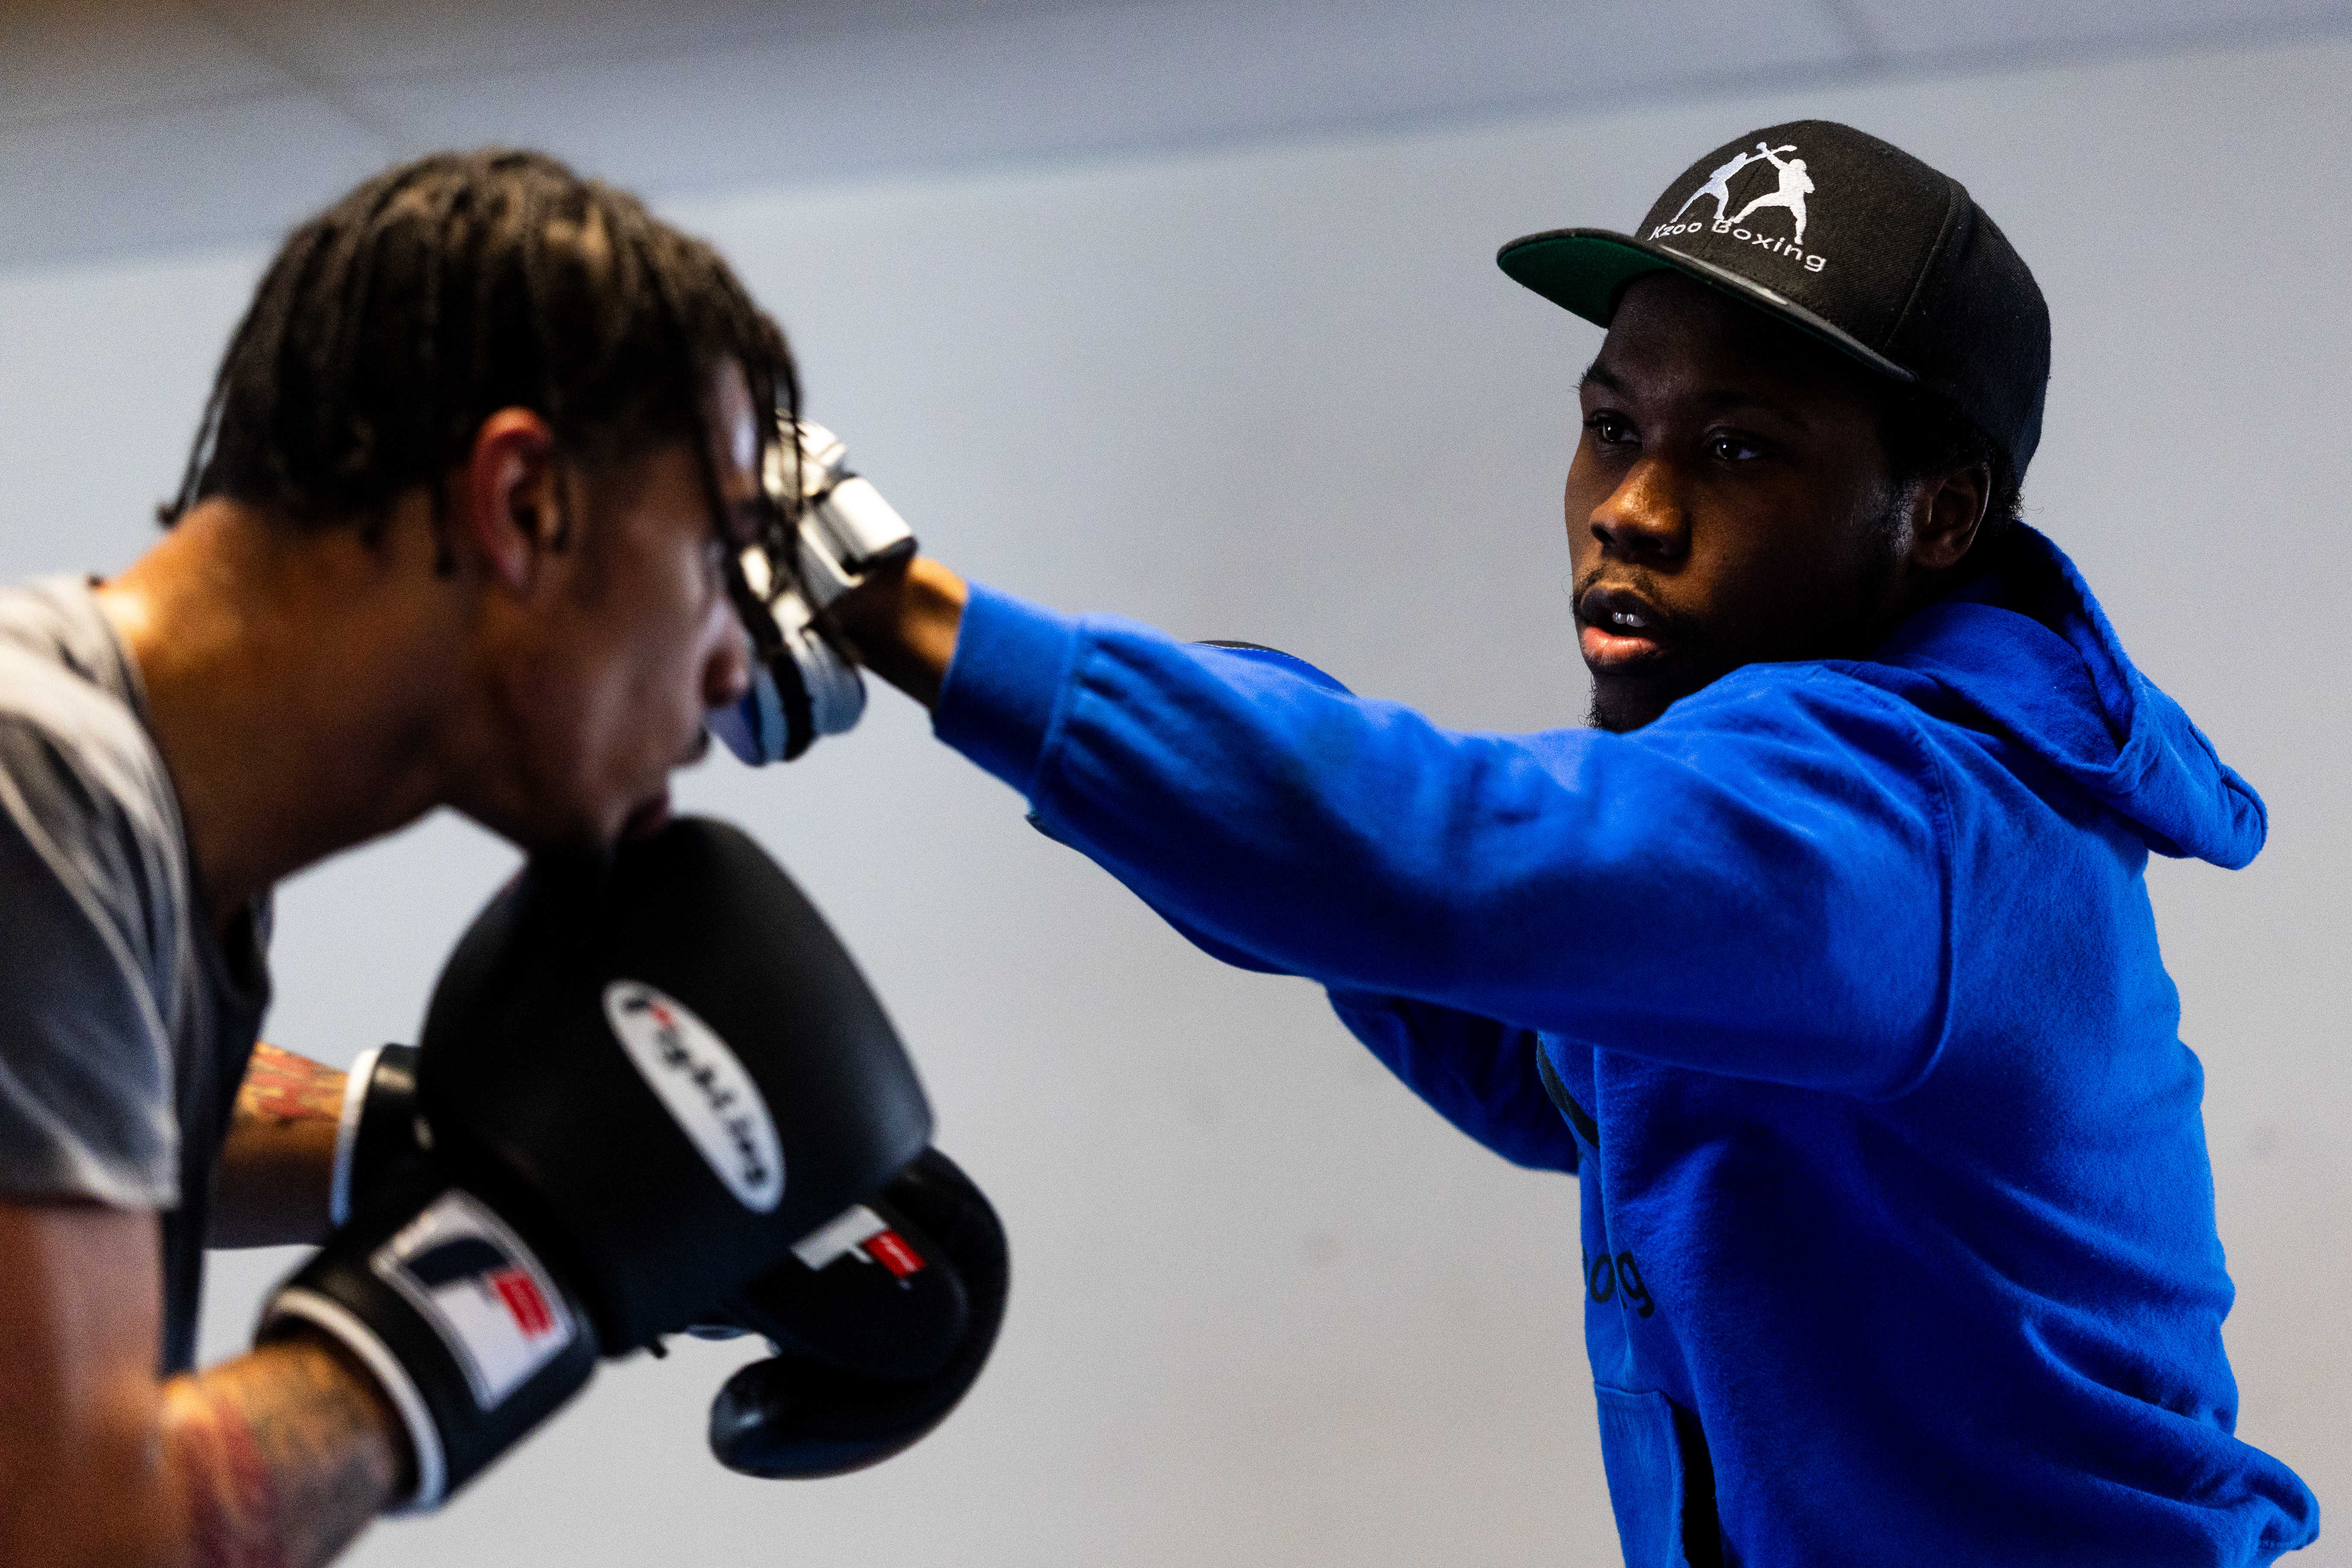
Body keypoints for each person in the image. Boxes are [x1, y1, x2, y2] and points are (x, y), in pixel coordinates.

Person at [819, 120, 2322, 1564]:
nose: (1634, 510)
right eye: (1613, 429)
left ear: (1936, 516)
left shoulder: (1903, 816)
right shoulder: (1814, 836)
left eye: (1737, 450)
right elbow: (1548, 1064)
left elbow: (1462, 864)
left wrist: (899, 615)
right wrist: (1192, 751)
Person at [0, 149, 782, 1566]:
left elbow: (77, 1113)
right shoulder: (30, 778)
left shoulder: (146, 837)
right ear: (525, 503)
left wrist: (446, 1140)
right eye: (720, 555)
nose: (734, 664)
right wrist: (538, 1248)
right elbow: (78, 1537)